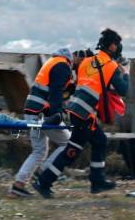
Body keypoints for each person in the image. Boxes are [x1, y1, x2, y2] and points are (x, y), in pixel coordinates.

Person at [33, 29, 129, 198]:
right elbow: (123, 90)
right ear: (113, 46)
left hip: (76, 109)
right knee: (85, 146)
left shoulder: (87, 61)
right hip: (85, 114)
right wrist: (126, 73)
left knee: (85, 145)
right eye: (118, 44)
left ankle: (46, 182)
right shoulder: (111, 66)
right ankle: (94, 181)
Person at [9, 48, 74, 197]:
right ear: (69, 60)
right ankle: (44, 171)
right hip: (43, 115)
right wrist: (58, 114)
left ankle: (18, 186)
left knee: (39, 150)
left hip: (31, 113)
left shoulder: (50, 63)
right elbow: (56, 92)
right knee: (69, 143)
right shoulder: (62, 66)